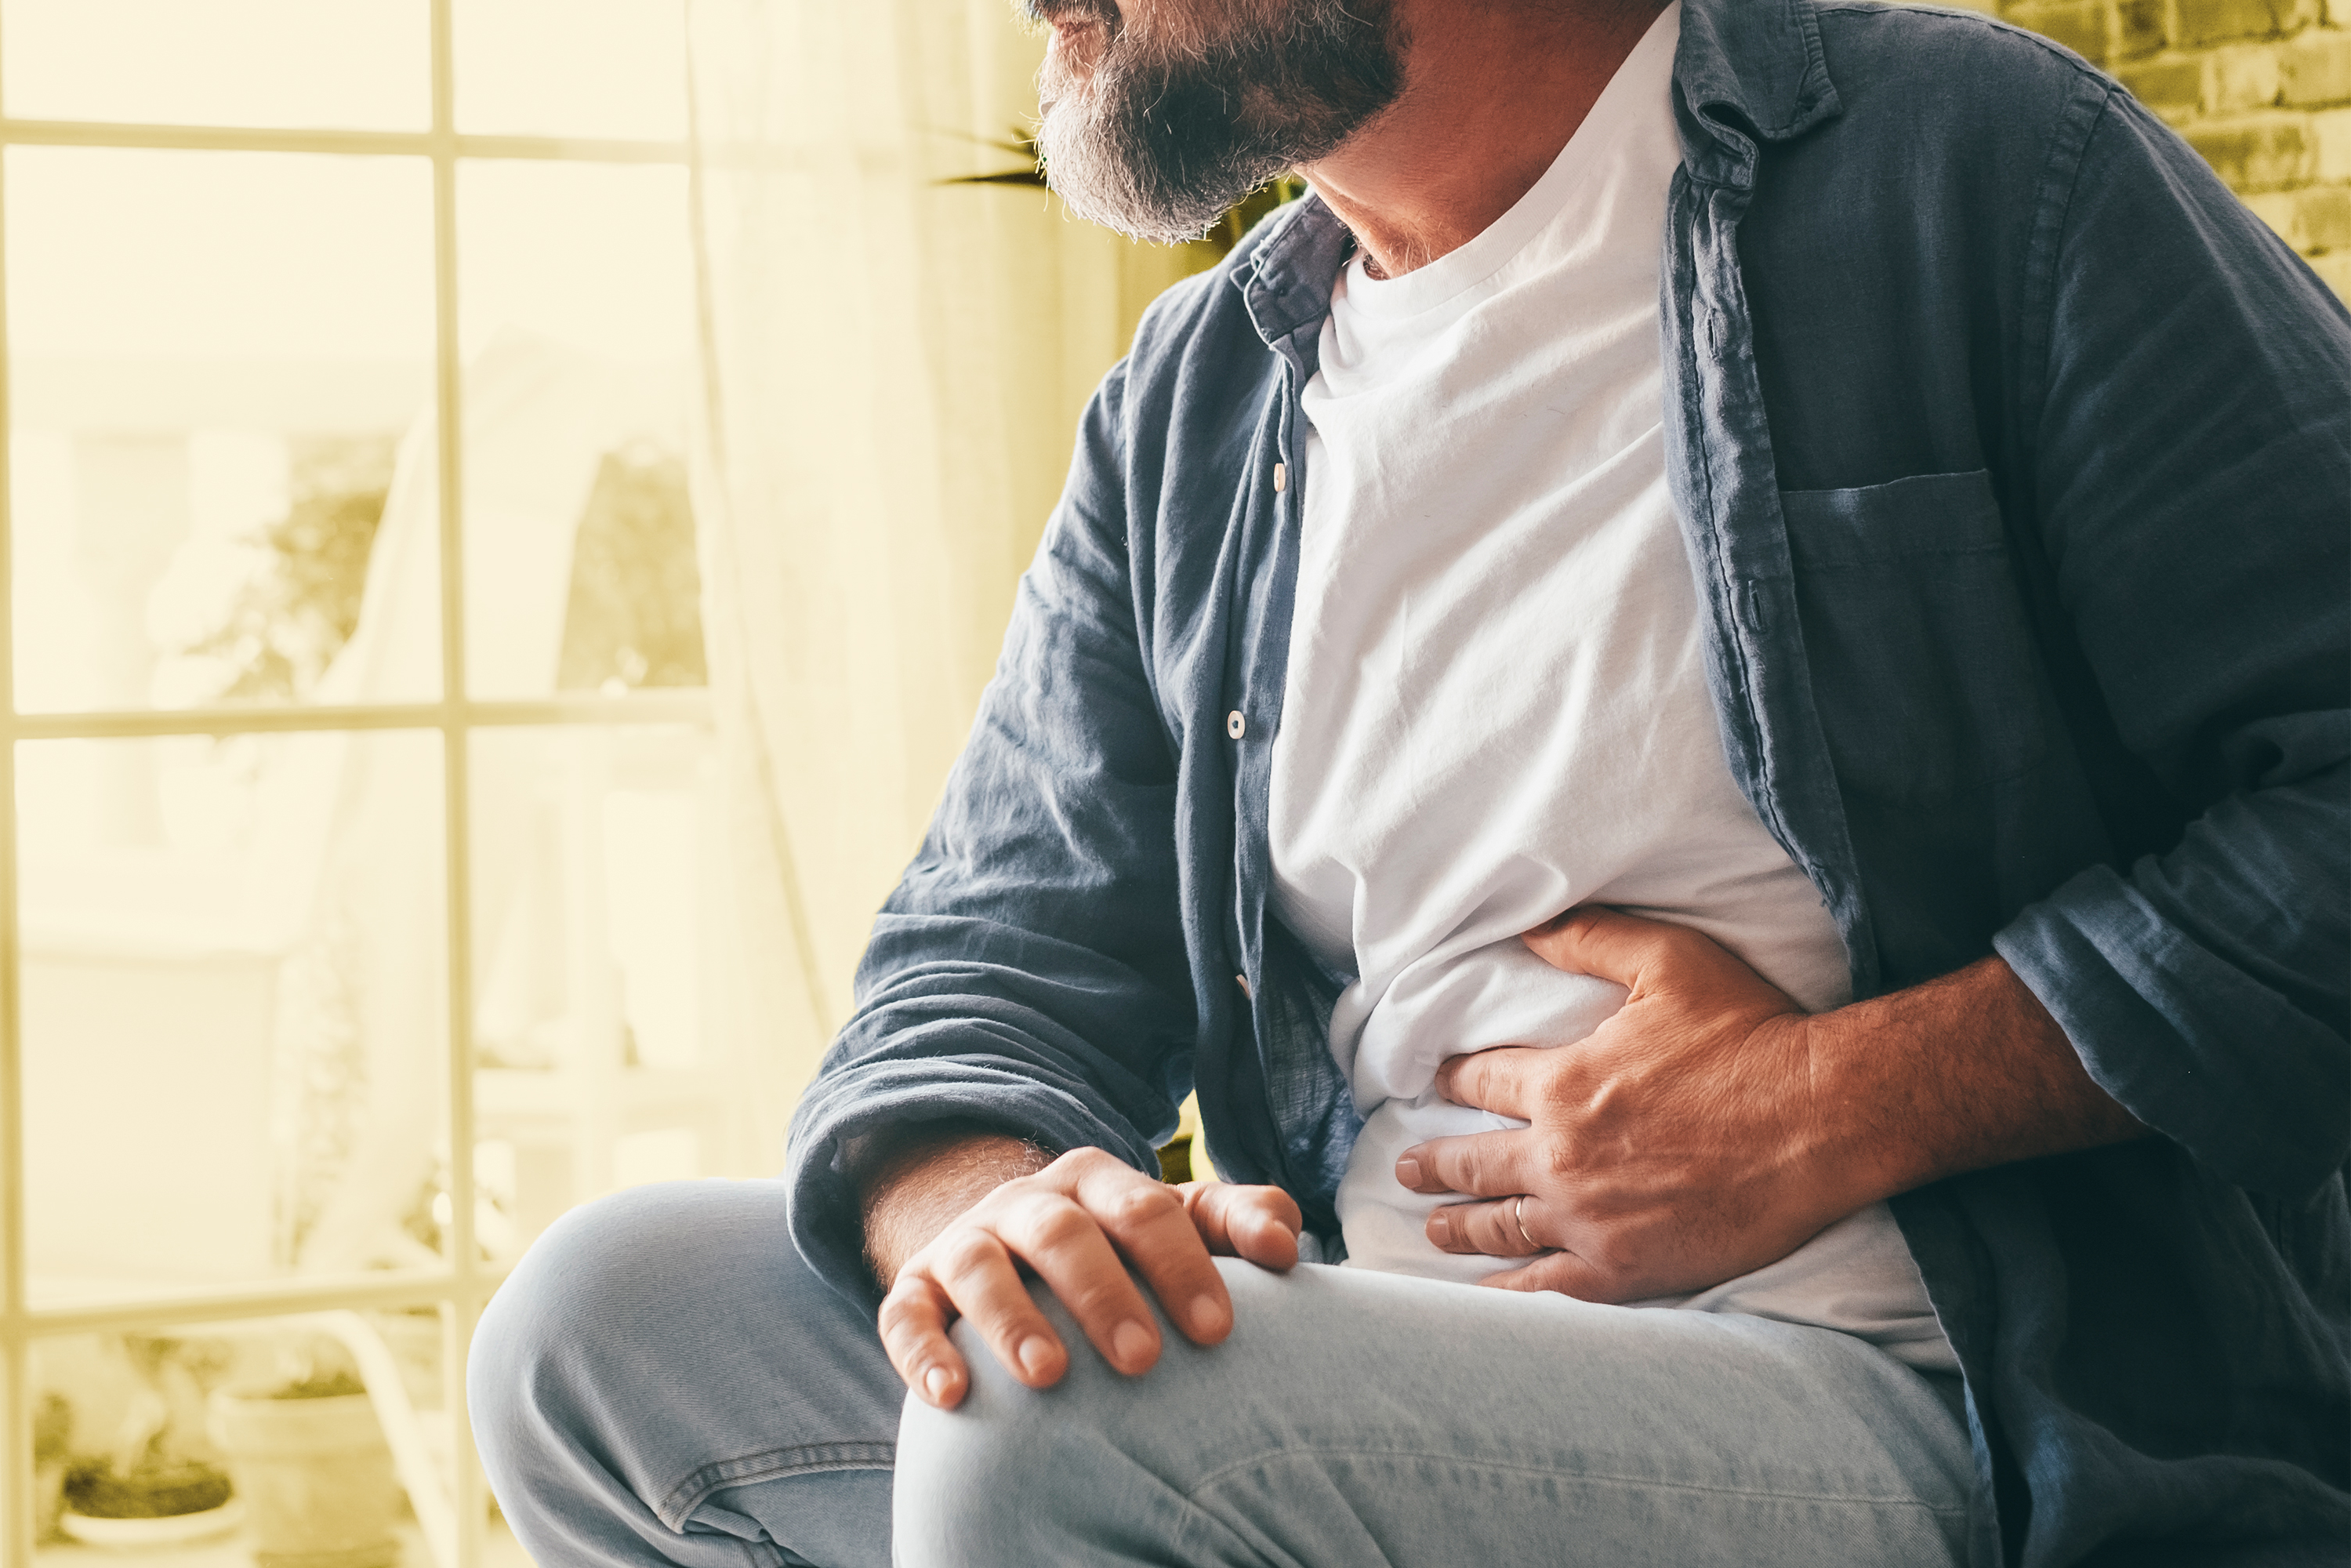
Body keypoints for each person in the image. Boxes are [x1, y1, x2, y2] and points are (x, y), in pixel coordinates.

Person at [466, 0, 2351, 1560]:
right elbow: (983, 955)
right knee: (602, 1323)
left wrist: (1829, 1104)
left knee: (1068, 1438)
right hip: (1354, 1373)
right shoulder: (1194, 410)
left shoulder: (1981, 175)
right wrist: (991, 1206)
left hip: (1940, 1408)